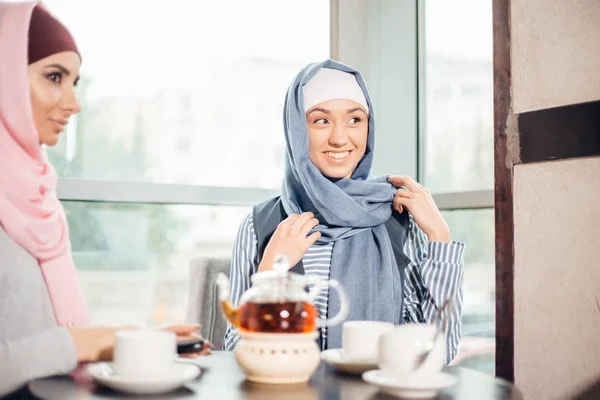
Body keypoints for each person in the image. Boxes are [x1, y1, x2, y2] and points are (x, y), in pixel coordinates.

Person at [0, 3, 206, 397]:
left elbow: (34, 334)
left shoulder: (34, 194)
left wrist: (130, 344)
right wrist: (90, 342)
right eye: (54, 76)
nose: (73, 103)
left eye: (74, 82)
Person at [223, 60, 465, 363]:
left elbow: (436, 351)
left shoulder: (398, 218)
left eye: (355, 120)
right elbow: (233, 354)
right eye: (321, 121)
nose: (340, 138)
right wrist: (270, 274)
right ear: (297, 130)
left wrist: (440, 238)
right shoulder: (261, 225)